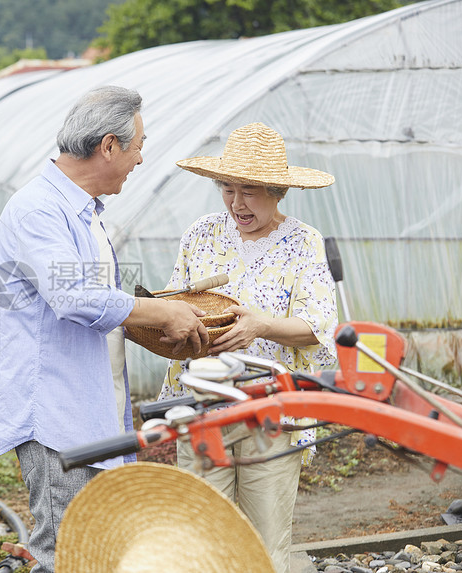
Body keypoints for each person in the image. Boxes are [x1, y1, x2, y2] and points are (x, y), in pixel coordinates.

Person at [0, 85, 210, 573]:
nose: (141, 160)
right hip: (55, 411)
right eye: (138, 147)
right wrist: (164, 315)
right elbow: (74, 299)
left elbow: (100, 302)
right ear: (109, 146)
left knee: (95, 544)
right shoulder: (39, 210)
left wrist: (148, 321)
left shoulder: (84, 214)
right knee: (66, 549)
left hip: (89, 405)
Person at [159, 122, 339, 573]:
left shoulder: (303, 243)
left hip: (271, 409)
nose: (237, 203)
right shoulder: (201, 234)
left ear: (278, 191)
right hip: (203, 405)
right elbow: (172, 305)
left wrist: (262, 326)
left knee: (264, 539)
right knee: (203, 535)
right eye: (228, 189)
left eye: (251, 192)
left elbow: (318, 326)